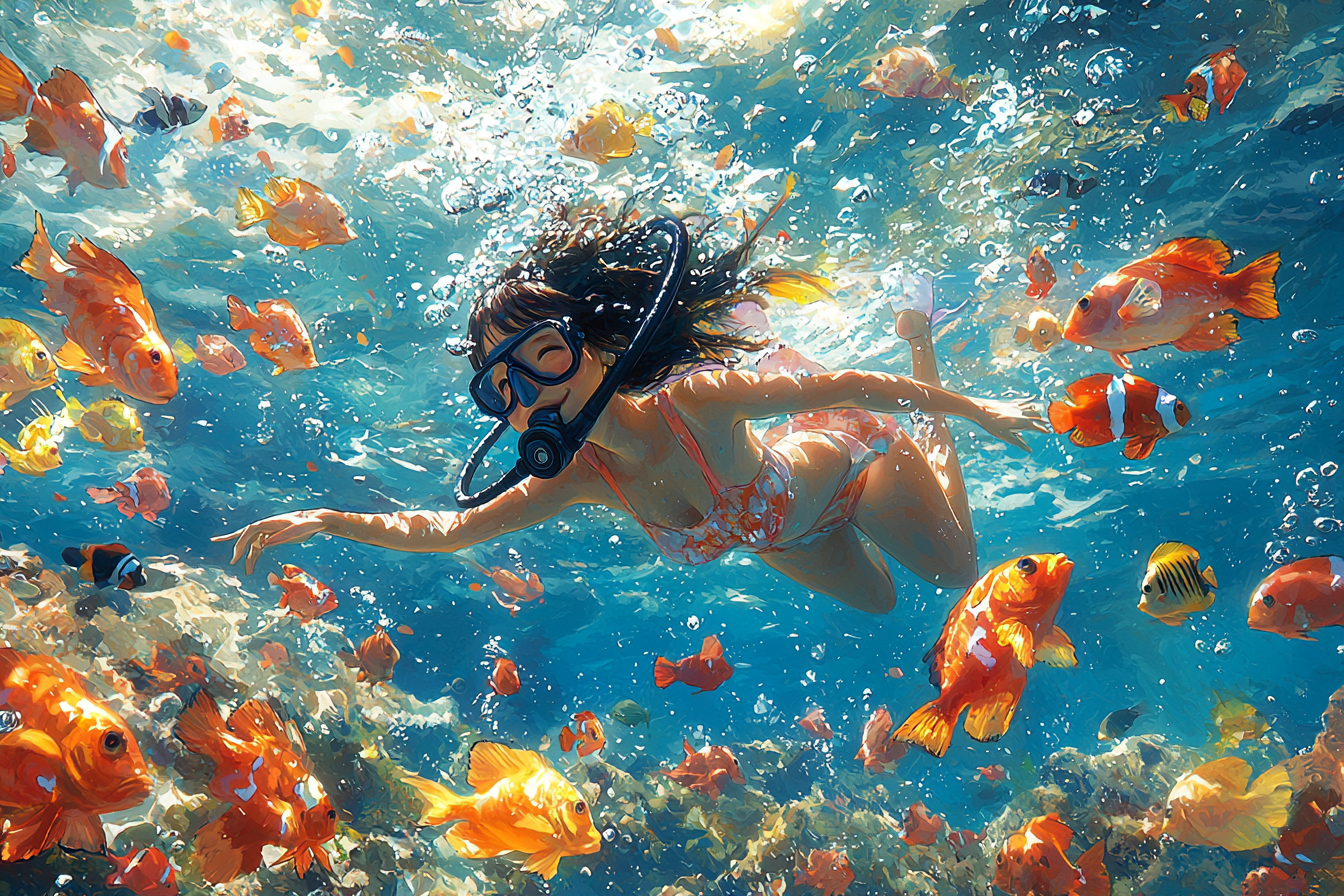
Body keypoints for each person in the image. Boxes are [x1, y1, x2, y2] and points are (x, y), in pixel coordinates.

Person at [215, 205, 1046, 613]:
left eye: (542, 353)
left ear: (599, 344)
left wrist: (977, 409)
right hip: (787, 531)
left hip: (852, 464)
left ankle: (919, 331)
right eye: (499, 382)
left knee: (958, 574)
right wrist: (327, 519)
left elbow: (855, 389)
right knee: (884, 605)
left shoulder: (698, 398)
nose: (529, 391)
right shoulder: (578, 477)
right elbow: (448, 530)